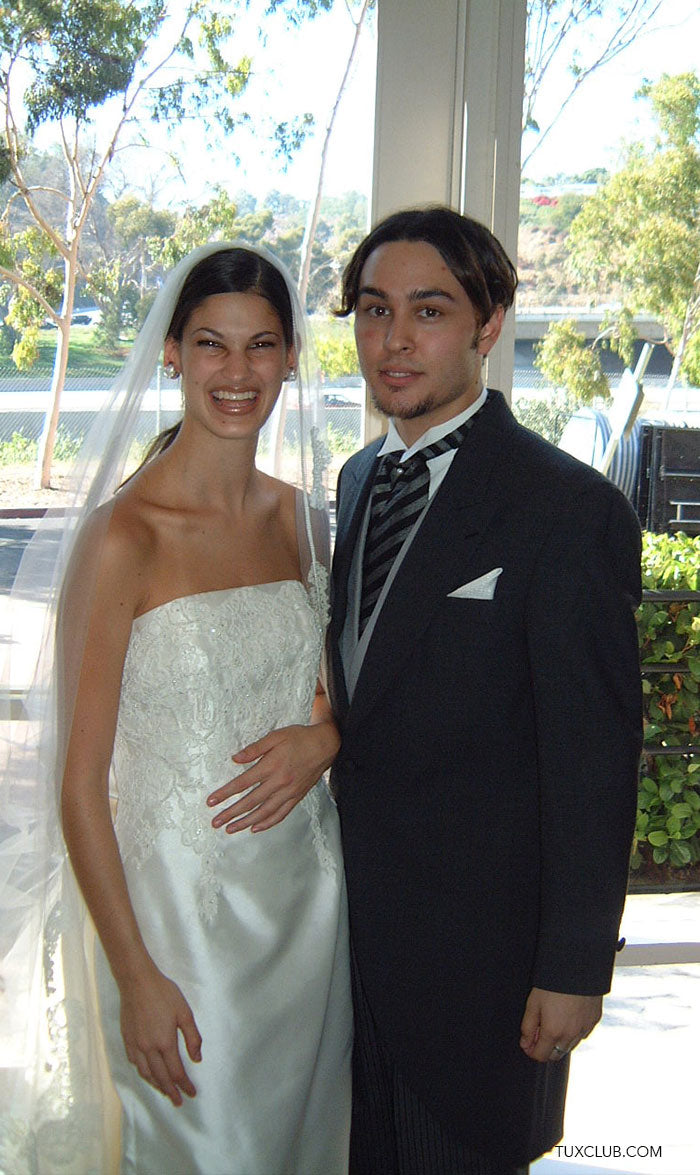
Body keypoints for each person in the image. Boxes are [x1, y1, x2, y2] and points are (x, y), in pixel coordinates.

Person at [0, 244, 351, 1175]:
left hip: (310, 915)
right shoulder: (124, 537)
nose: (238, 373)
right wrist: (134, 976)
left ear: (289, 358)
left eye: (262, 345)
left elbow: (336, 697)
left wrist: (327, 736)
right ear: (171, 354)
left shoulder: (303, 520)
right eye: (211, 344)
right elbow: (79, 786)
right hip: (179, 933)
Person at [325, 206, 642, 1174]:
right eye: (374, 310)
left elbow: (593, 760)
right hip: (339, 960)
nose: (394, 339)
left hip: (483, 976)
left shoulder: (567, 506)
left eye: (429, 309)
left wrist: (572, 967)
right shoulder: (355, 478)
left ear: (488, 322)